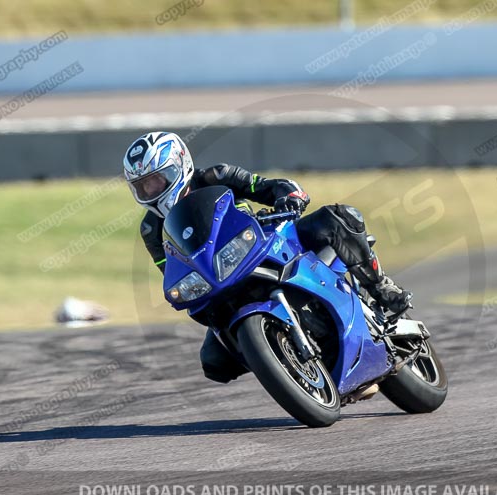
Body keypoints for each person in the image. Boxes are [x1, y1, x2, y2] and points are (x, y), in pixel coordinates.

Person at [123, 131, 411, 383]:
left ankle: (381, 287)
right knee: (214, 362)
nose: (151, 191)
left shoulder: (217, 176)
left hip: (269, 243)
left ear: (179, 165)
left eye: (157, 181)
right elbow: (172, 269)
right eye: (143, 186)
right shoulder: (151, 229)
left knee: (338, 218)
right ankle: (283, 361)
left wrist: (289, 197)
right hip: (221, 280)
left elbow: (267, 187)